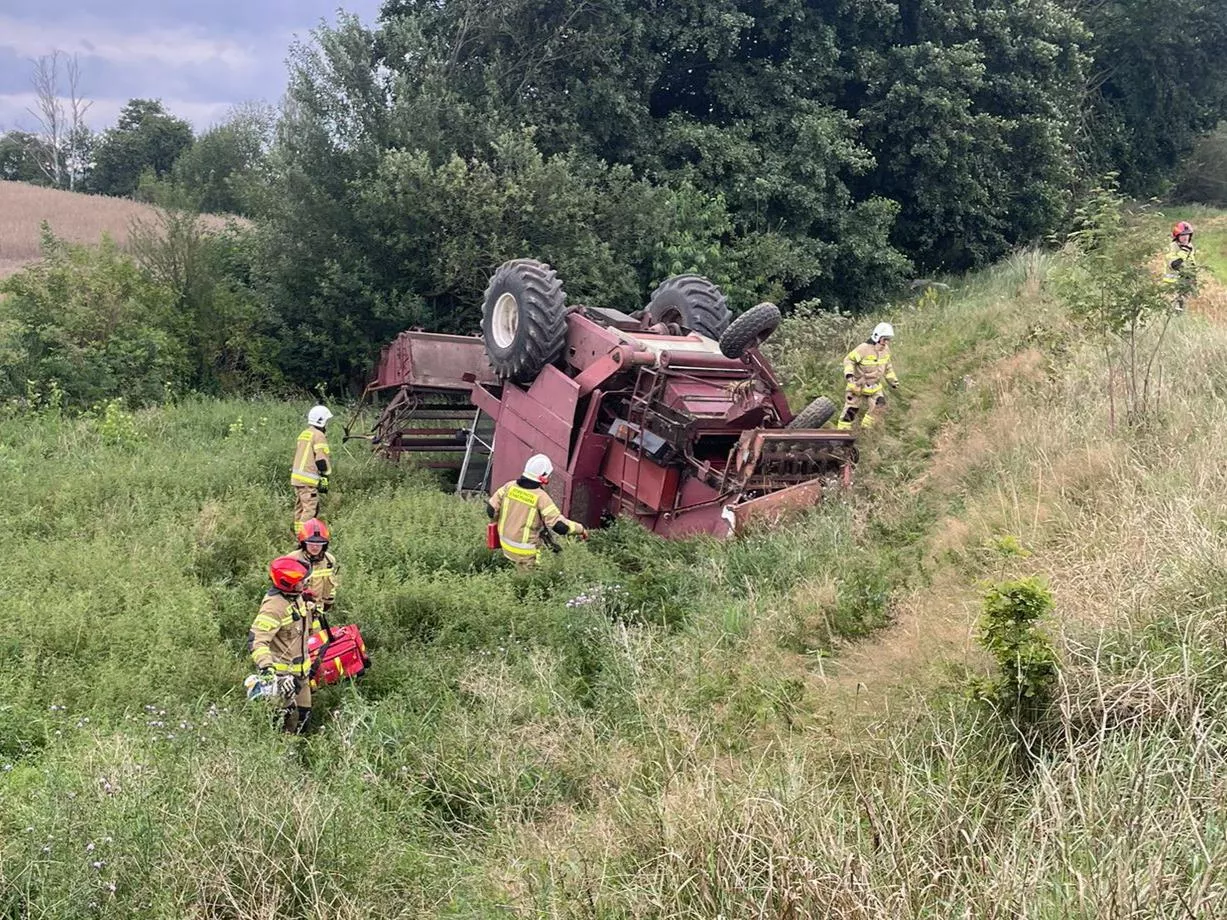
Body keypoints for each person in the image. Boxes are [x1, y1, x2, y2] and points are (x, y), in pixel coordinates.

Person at [247, 555, 316, 734]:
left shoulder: (296, 597)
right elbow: (257, 640)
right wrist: (267, 668)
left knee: (304, 720)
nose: (306, 583)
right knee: (285, 726)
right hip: (283, 680)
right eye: (302, 581)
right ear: (288, 584)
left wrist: (311, 611)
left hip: (301, 677)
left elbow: (305, 631)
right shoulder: (273, 607)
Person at [487, 454, 587, 568]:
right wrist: (581, 529)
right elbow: (560, 526)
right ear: (543, 476)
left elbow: (491, 510)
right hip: (525, 552)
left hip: (505, 544)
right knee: (535, 578)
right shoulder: (541, 497)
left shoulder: (509, 487)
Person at [836, 322, 899, 431]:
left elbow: (888, 367)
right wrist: (849, 376)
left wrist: (893, 382)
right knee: (851, 410)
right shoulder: (863, 349)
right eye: (885, 339)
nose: (886, 343)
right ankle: (841, 434)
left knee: (879, 405)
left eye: (888, 340)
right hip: (858, 386)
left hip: (875, 387)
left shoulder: (886, 350)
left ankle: (866, 430)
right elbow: (849, 360)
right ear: (877, 337)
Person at [289, 517, 340, 626]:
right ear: (303, 543)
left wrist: (326, 605)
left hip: (317, 615)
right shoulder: (292, 559)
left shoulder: (329, 561)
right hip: (296, 616)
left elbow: (331, 588)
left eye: (319, 543)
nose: (315, 547)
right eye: (311, 542)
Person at [291, 405, 332, 529]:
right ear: (322, 421)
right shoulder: (318, 435)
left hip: (297, 479)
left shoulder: (304, 434)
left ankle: (297, 535)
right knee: (310, 510)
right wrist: (325, 477)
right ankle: (304, 539)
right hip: (308, 481)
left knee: (300, 509)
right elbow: (321, 460)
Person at [1164, 220, 1197, 310]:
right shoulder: (1172, 247)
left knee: (1185, 304)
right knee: (1174, 306)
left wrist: (1193, 278)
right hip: (1173, 281)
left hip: (1186, 280)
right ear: (1177, 236)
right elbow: (1174, 265)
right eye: (1182, 235)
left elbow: (1191, 264)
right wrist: (1184, 251)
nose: (1185, 237)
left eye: (1187, 235)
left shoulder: (1189, 246)